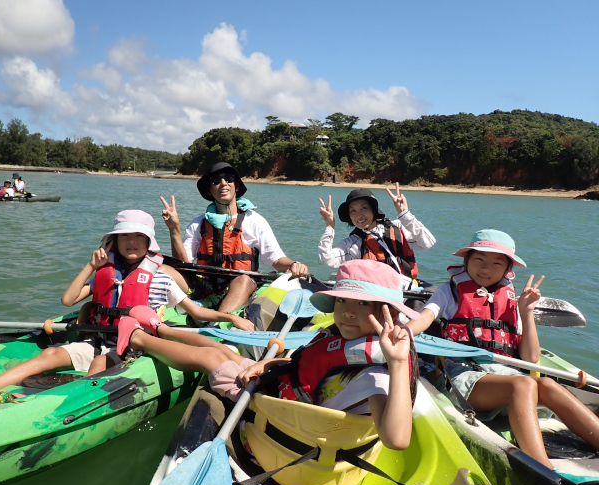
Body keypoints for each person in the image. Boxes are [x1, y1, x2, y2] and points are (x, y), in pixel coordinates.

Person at [0, 210, 253, 405]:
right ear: (112, 241)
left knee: (99, 364)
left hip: (132, 347)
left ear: (148, 242)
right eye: (123, 236)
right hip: (96, 337)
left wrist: (228, 317)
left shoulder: (160, 278)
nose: (131, 242)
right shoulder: (105, 273)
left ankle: (63, 404)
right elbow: (69, 300)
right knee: (49, 355)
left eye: (137, 237)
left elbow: (196, 313)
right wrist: (89, 266)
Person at [111, 259, 418, 450]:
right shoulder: (341, 340)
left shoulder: (377, 374)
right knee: (222, 348)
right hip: (278, 387)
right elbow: (305, 366)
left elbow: (397, 439)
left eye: (363, 304)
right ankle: (162, 329)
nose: (348, 312)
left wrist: (399, 361)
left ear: (388, 312)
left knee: (213, 360)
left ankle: (139, 338)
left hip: (282, 420)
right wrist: (268, 363)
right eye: (341, 302)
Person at [406, 229, 599, 477]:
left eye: (496, 263)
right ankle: (543, 471)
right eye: (479, 260)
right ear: (467, 261)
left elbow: (530, 359)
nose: (486, 269)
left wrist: (526, 312)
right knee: (523, 386)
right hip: (463, 378)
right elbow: (424, 318)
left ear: (508, 269)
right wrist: (403, 333)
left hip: (505, 375)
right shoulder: (450, 292)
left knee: (547, 385)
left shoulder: (512, 300)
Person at [160, 162, 309, 313]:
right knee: (164, 269)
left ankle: (217, 322)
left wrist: (293, 265)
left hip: (239, 286)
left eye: (229, 178)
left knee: (244, 280)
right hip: (205, 286)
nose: (223, 183)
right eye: (215, 181)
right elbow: (183, 264)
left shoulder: (254, 220)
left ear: (236, 186)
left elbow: (275, 259)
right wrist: (174, 230)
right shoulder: (199, 223)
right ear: (209, 191)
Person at [318, 185, 435, 290]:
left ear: (374, 210)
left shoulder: (398, 226)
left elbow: (428, 242)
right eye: (353, 211)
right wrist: (330, 227)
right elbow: (326, 259)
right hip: (377, 295)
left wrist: (405, 214)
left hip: (408, 291)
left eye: (364, 208)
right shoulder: (352, 243)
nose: (359, 215)